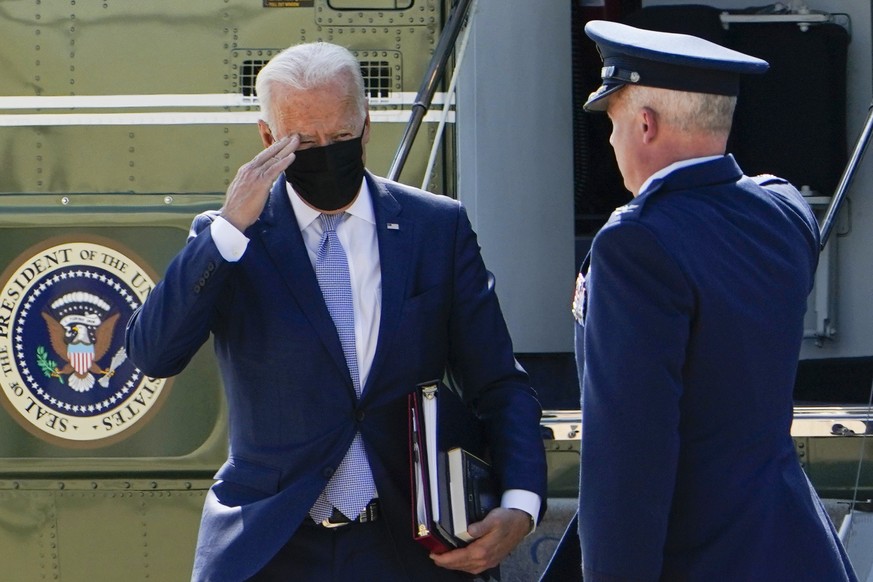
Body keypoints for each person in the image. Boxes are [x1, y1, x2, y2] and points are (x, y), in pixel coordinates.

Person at [125, 41, 547, 582]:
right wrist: (229, 228)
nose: (326, 152)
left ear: (367, 125)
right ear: (267, 138)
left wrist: (522, 500)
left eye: (342, 136)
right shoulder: (231, 238)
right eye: (304, 141)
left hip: (409, 545)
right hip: (271, 547)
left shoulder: (434, 228)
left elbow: (498, 382)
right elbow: (153, 354)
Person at [571, 21, 858, 582]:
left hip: (693, 558)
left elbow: (628, 462)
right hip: (795, 546)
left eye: (614, 123)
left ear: (645, 125)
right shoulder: (785, 212)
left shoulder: (634, 244)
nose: (611, 142)